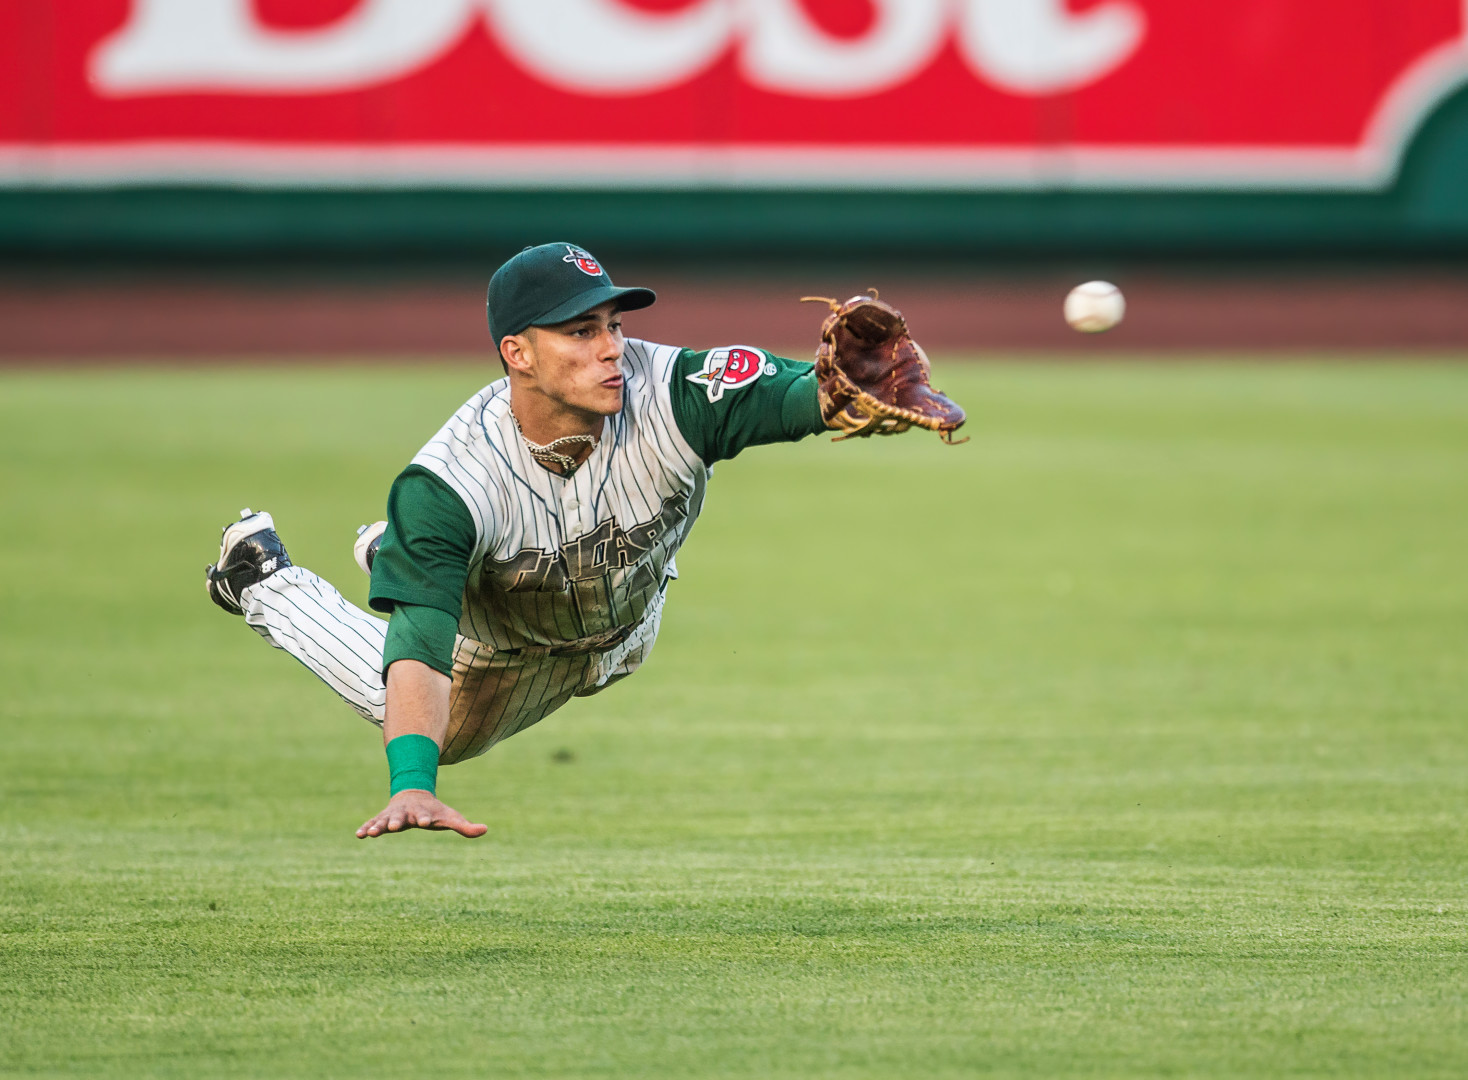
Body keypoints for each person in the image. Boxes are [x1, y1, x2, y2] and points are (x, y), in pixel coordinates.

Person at [204, 242, 962, 839]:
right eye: (578, 331)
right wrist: (413, 784)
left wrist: (832, 399)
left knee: (478, 580)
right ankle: (266, 580)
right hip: (508, 644)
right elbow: (421, 649)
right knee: (429, 718)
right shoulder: (449, 484)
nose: (609, 348)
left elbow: (796, 394)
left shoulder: (671, 391)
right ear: (518, 354)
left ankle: (401, 557)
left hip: (626, 615)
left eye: (613, 324)